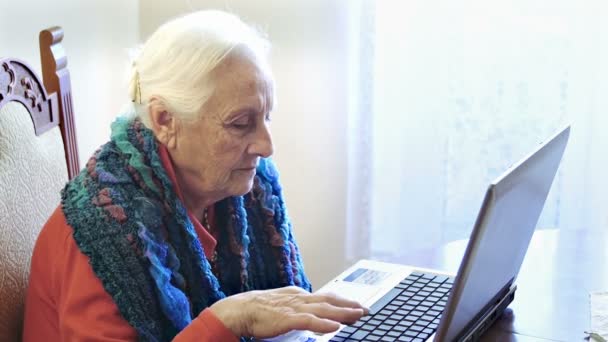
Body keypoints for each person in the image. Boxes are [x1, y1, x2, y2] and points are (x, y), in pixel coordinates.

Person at [23, 10, 367, 342]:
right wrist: (228, 320)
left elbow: (290, 312)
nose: (266, 146)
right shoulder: (101, 234)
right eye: (240, 123)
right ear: (164, 121)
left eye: (266, 117)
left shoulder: (251, 189)